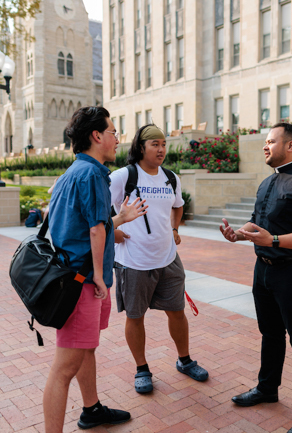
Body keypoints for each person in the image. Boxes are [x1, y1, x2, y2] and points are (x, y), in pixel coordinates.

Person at [43, 106, 147, 432]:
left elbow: (94, 224)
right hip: (81, 281)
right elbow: (95, 231)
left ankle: (92, 409)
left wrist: (120, 220)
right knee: (64, 369)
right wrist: (100, 277)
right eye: (114, 132)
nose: (118, 139)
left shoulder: (75, 172)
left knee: (85, 348)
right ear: (97, 136)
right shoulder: (91, 175)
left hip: (78, 276)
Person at [220, 123, 292, 433]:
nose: (265, 146)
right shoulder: (268, 183)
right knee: (270, 333)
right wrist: (240, 234)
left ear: (290, 146)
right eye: (265, 142)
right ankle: (267, 388)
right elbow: (261, 224)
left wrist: (275, 241)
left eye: (271, 141)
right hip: (264, 270)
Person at [109, 124, 208, 395]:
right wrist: (113, 232)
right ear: (141, 147)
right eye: (155, 144)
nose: (161, 149)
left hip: (168, 259)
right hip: (134, 262)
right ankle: (142, 369)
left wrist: (175, 229)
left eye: (164, 144)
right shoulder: (123, 177)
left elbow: (178, 206)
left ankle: (184, 360)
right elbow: (97, 209)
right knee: (135, 315)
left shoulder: (171, 178)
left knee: (177, 311)